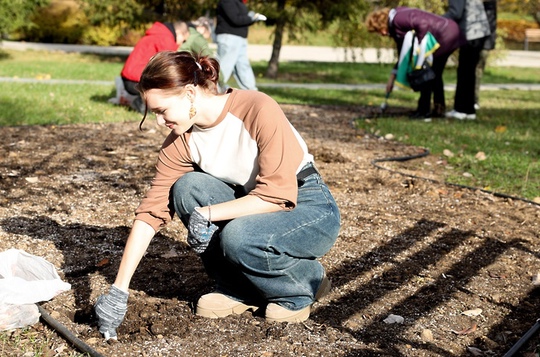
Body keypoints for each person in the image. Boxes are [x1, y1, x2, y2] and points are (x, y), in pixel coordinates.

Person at [94, 50, 341, 340]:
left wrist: (208, 214)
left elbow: (276, 193)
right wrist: (118, 290)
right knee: (187, 188)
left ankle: (303, 283)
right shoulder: (180, 140)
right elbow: (151, 213)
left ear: (188, 94)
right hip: (253, 203)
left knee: (240, 236)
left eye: (161, 111)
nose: (159, 122)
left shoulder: (257, 108)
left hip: (307, 204)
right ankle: (238, 289)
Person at [366, 7, 462, 120]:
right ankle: (437, 109)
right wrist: (391, 79)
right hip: (449, 32)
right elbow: (403, 55)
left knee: (425, 73)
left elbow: (423, 23)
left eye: (379, 30)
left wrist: (421, 49)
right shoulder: (396, 28)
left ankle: (424, 112)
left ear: (382, 23)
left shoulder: (397, 19)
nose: (381, 34)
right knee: (434, 73)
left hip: (444, 34)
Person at [120, 21, 190, 114]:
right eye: (183, 40)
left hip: (130, 78)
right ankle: (143, 104)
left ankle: (144, 102)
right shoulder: (165, 39)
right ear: (179, 33)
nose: (182, 43)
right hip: (136, 80)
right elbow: (169, 65)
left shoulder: (158, 35)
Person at [443, 0, 491, 120]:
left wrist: (435, 20)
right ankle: (469, 110)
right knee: (469, 73)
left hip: (471, 33)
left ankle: (460, 109)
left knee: (464, 72)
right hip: (480, 31)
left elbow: (455, 13)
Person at [215, 0, 267, 91]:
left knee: (243, 66)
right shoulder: (227, 1)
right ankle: (214, 90)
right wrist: (251, 18)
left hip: (239, 38)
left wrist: (253, 18)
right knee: (225, 66)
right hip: (229, 37)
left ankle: (252, 92)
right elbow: (235, 19)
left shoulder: (238, 2)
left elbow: (242, 20)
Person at [475, 0, 498, 110]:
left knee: (476, 71)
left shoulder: (488, 5)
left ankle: (474, 100)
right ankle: (472, 100)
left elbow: (490, 26)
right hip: (481, 42)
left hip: (482, 43)